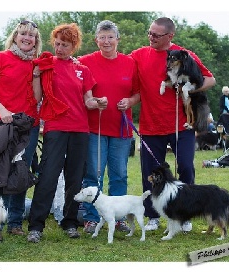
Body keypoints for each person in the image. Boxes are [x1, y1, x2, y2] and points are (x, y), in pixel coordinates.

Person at [130, 17, 216, 232]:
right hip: (151, 126)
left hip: (181, 126)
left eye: (156, 35)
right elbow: (116, 62)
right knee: (149, 172)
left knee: (186, 168)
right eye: (149, 33)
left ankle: (184, 216)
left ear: (170, 36)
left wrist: (188, 88)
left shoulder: (184, 55)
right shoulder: (140, 54)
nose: (151, 38)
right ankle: (152, 217)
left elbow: (210, 79)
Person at [26, 23, 107, 243]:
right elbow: (36, 98)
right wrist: (35, 75)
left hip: (80, 129)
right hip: (55, 127)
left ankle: (70, 222)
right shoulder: (46, 64)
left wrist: (98, 102)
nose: (60, 48)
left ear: (74, 46)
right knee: (48, 176)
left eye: (65, 45)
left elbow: (88, 101)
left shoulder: (83, 70)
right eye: (58, 43)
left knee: (75, 179)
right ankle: (36, 225)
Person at [0, 20, 42, 241]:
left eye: (31, 35)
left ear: (36, 40)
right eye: (23, 33)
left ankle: (15, 221)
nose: (27, 38)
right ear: (15, 36)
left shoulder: (38, 63)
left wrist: (37, 75)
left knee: (20, 171)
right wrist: (3, 110)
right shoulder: (0, 58)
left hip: (29, 126)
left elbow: (38, 97)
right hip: (2, 124)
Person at [78, 20, 140, 234]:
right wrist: (95, 101)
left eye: (110, 37)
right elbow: (79, 91)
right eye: (102, 37)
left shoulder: (130, 63)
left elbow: (138, 93)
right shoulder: (84, 63)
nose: (106, 41)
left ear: (117, 40)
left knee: (119, 175)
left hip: (121, 130)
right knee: (93, 174)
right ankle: (92, 217)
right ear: (96, 40)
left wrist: (129, 102)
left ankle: (119, 218)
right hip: (95, 128)